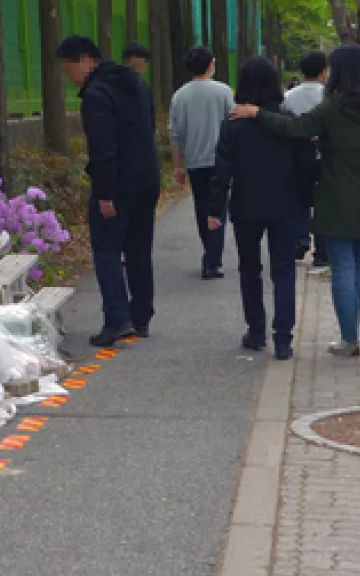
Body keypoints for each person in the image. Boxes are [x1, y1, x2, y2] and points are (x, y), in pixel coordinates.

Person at [231, 45, 360, 358]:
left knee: (343, 266)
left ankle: (349, 339)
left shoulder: (333, 107)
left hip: (335, 193)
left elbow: (293, 128)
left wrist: (257, 113)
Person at [207, 58, 317, 361]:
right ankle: (283, 338)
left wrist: (215, 208)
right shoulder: (287, 118)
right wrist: (304, 201)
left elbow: (222, 169)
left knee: (250, 268)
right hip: (285, 205)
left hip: (246, 205)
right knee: (283, 271)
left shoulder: (234, 123)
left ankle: (256, 330)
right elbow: (306, 164)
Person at [56, 35, 161, 347]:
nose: (69, 77)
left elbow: (103, 148)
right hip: (148, 177)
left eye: (68, 68)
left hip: (119, 182)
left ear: (85, 59)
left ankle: (117, 318)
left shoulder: (97, 94)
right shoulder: (137, 84)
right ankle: (141, 316)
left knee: (106, 249)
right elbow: (149, 127)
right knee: (139, 249)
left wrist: (104, 193)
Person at [169, 46, 235, 279]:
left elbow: (175, 134)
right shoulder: (224, 92)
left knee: (201, 208)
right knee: (219, 207)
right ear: (211, 65)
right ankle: (213, 259)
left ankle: (209, 251)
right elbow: (234, 123)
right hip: (222, 160)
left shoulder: (179, 96)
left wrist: (178, 165)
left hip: (195, 161)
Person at [283, 50, 330, 268]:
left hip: (296, 156)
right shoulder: (328, 95)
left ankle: (300, 239)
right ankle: (322, 252)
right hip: (324, 155)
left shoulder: (289, 96)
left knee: (299, 200)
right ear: (324, 71)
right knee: (322, 201)